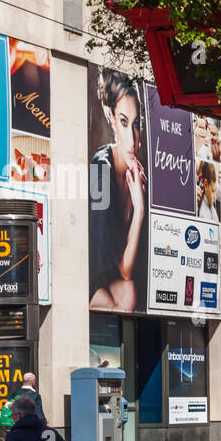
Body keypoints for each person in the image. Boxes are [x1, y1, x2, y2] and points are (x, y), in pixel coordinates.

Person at [88, 70, 146, 312]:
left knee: (130, 292)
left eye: (136, 125)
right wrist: (139, 209)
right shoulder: (99, 169)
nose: (132, 139)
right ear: (112, 119)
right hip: (88, 279)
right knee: (127, 296)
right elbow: (124, 270)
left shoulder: (138, 174)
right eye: (124, 122)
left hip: (116, 281)